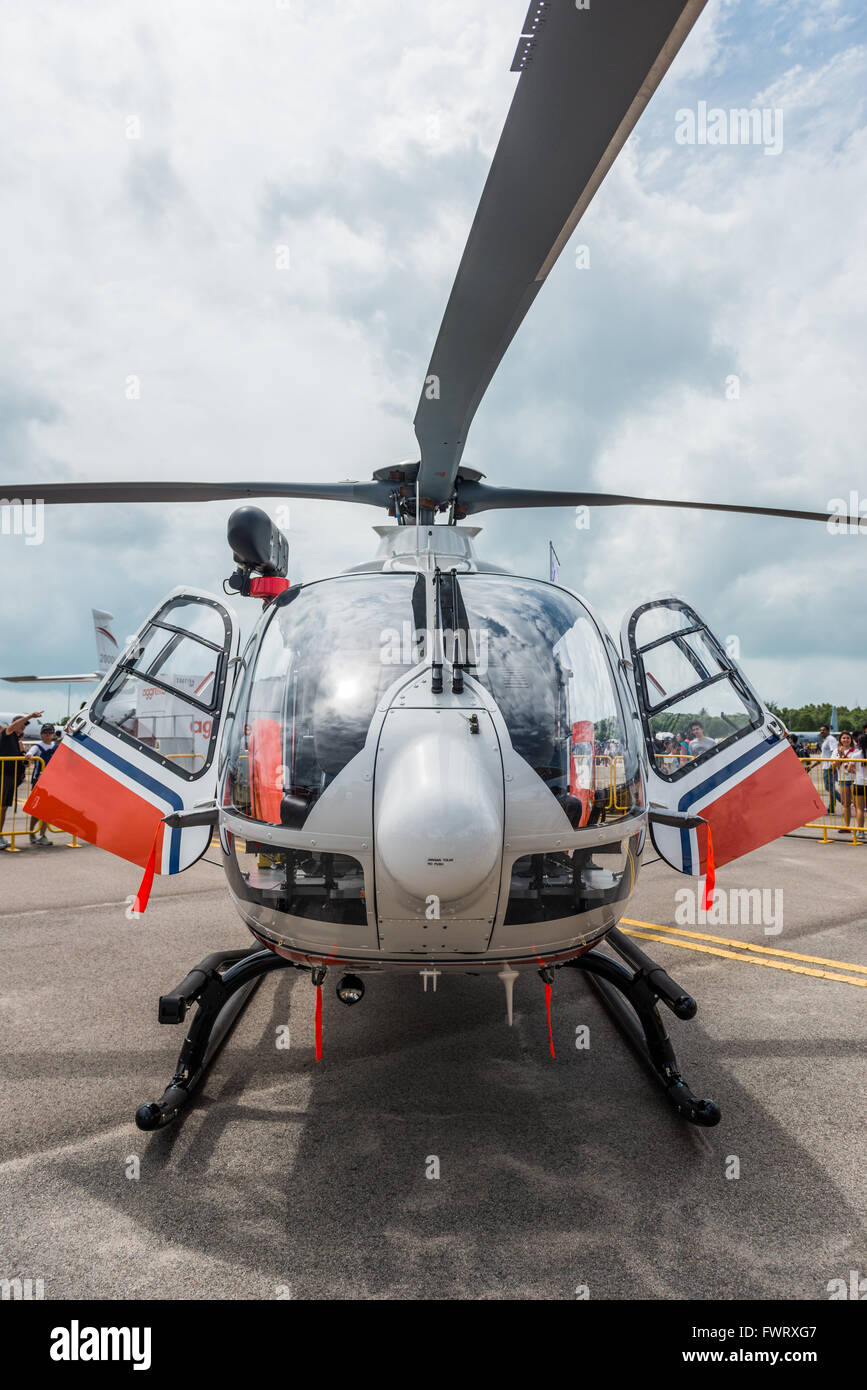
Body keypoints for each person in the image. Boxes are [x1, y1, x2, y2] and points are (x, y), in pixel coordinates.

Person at [0, 711, 43, 849]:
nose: (24, 726)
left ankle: (0, 835)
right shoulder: (8, 734)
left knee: (4, 808)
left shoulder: (17, 740)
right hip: (3, 775)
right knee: (1, 807)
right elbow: (13, 725)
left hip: (11, 777)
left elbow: (22, 762)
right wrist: (30, 716)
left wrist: (24, 754)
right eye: (22, 723)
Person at [25, 722, 57, 845]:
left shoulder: (56, 746)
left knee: (47, 810)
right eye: (45, 732)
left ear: (53, 734)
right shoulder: (38, 746)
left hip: (52, 781)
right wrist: (29, 755)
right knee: (36, 809)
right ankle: (32, 832)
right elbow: (31, 752)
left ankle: (42, 834)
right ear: (41, 734)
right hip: (39, 781)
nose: (47, 735)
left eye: (50, 732)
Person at [834, 730, 857, 835]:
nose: (846, 740)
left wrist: (844, 756)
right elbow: (834, 766)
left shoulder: (855, 751)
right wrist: (840, 756)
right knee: (846, 804)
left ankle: (859, 827)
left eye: (848, 738)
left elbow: (856, 765)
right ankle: (847, 826)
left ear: (851, 739)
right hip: (843, 779)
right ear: (840, 739)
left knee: (858, 805)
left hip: (855, 779)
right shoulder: (836, 751)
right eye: (843, 738)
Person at [818, 723, 839, 815]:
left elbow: (834, 752)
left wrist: (832, 766)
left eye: (823, 730)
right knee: (831, 788)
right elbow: (824, 756)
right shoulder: (826, 740)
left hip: (829, 767)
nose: (821, 732)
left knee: (828, 787)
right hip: (825, 766)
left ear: (828, 731)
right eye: (820, 730)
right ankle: (831, 808)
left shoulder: (831, 739)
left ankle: (845, 802)